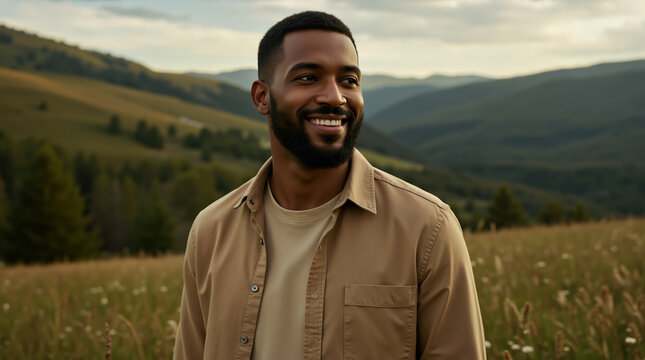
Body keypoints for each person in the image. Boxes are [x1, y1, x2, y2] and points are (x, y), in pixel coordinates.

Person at [173, 10, 485, 360]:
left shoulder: (426, 229)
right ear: (262, 97)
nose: (335, 97)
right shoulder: (211, 232)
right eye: (308, 78)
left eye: (349, 80)